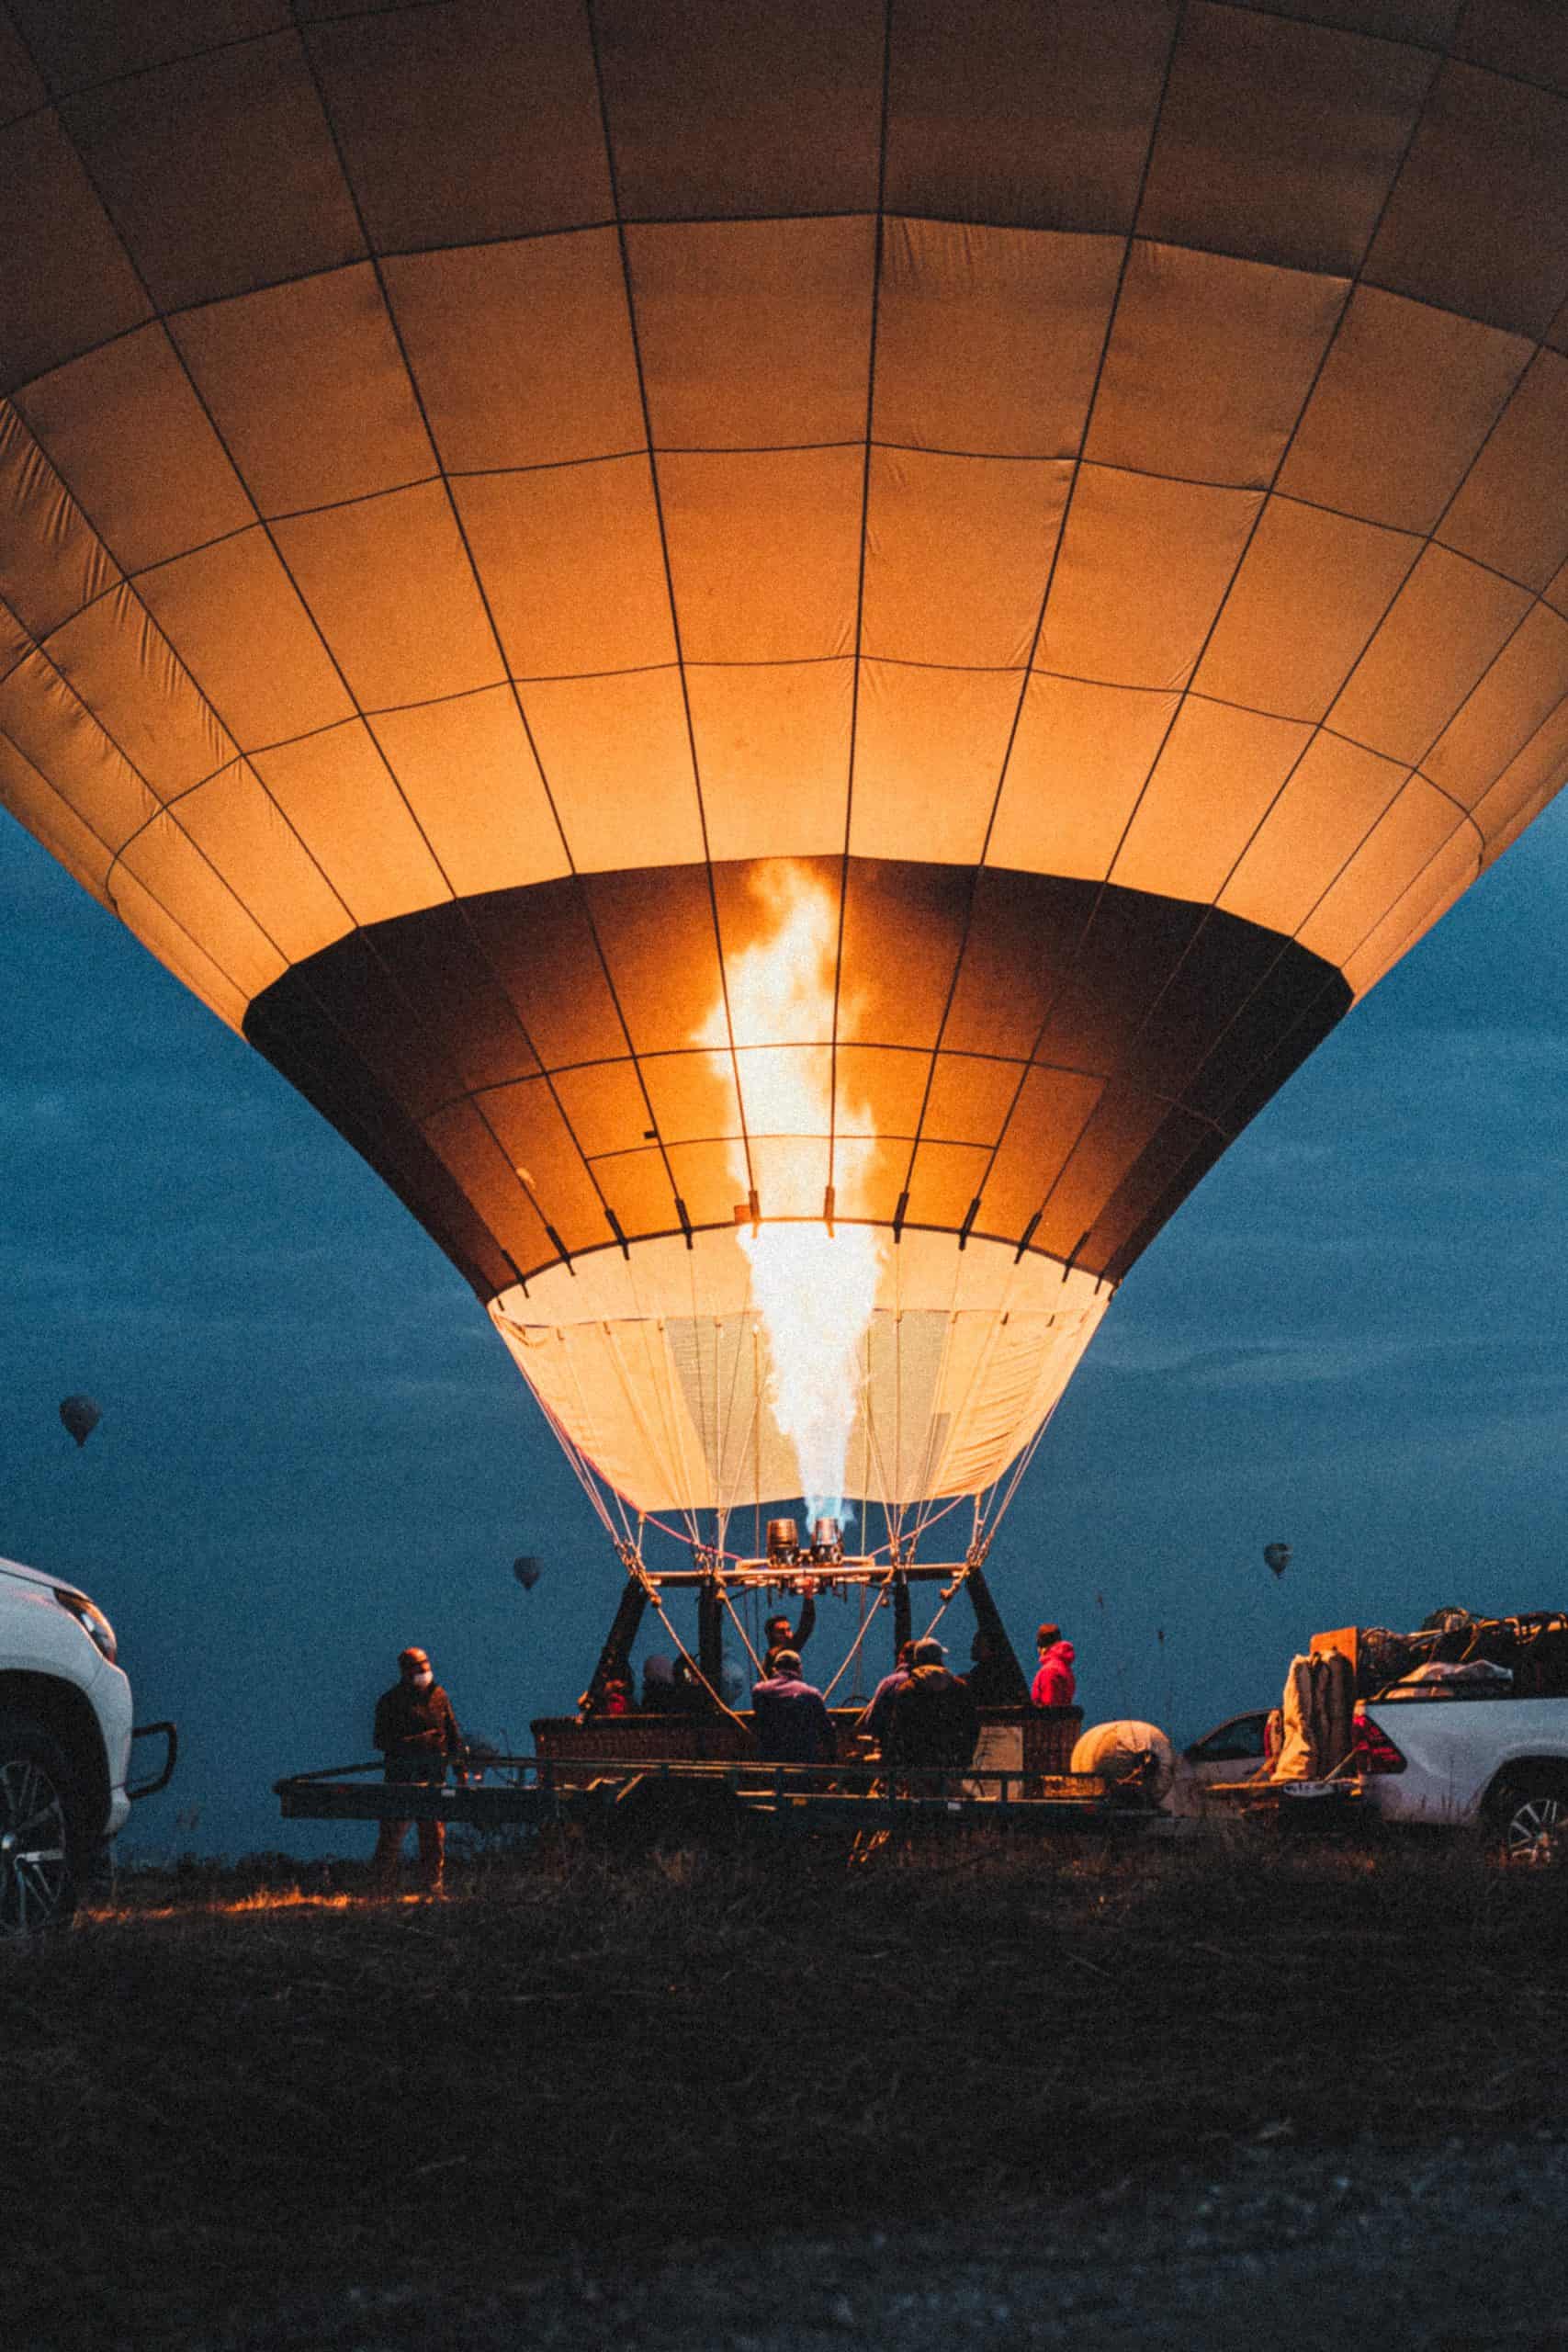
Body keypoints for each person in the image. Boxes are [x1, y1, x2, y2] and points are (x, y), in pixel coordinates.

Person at [370, 1646, 464, 1897]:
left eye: (426, 1663)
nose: (424, 1669)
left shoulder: (439, 1695)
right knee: (391, 1839)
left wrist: (460, 1768)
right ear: (405, 1670)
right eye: (417, 1665)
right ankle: (381, 1891)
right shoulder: (390, 1701)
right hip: (401, 1781)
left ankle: (432, 1890)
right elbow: (380, 1741)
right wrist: (420, 1742)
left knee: (434, 1840)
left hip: (434, 1779)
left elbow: (453, 1732)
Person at [882, 1637, 980, 1772]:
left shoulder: (908, 1689)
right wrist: (964, 1758)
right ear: (940, 1659)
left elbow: (897, 1729)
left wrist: (896, 1762)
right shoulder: (959, 1687)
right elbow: (972, 1726)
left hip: (916, 1766)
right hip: (950, 1763)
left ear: (917, 1660)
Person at [751, 1649, 836, 1766]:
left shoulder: (759, 1691)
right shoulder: (811, 1694)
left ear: (774, 1669)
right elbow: (826, 1730)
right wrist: (833, 1757)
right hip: (803, 1764)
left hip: (769, 1763)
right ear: (799, 1669)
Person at [859, 1639, 916, 1750]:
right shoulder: (922, 1683)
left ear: (900, 1658)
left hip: (891, 1750)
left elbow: (871, 1721)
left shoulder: (888, 1683)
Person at [761, 1594, 817, 1679]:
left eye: (789, 1630)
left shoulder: (769, 1658)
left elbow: (805, 1627)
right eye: (781, 1632)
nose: (787, 1635)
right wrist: (808, 1597)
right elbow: (806, 1627)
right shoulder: (780, 1654)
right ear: (771, 1635)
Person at [1032, 1623, 1077, 1708]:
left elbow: (1050, 1711)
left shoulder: (1049, 1671)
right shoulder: (1064, 1667)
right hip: (1065, 1720)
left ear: (1041, 1647)